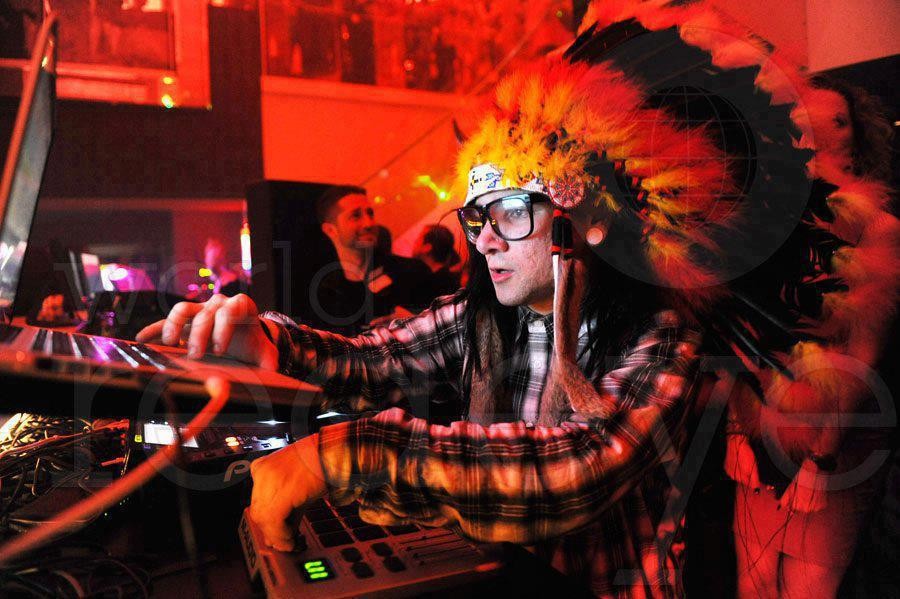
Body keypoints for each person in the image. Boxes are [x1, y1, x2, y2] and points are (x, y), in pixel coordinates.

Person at [137, 57, 727, 596]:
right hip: (495, 576)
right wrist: (268, 342)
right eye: (477, 219)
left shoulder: (661, 335)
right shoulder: (481, 315)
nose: (486, 241)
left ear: (586, 221)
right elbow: (376, 360)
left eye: (512, 212)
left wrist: (353, 456)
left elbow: (578, 469)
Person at [310, 185, 435, 334]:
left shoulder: (412, 272)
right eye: (355, 216)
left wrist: (417, 325)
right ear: (330, 230)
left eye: (370, 213)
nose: (369, 223)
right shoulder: (328, 294)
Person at [412, 223, 463, 297]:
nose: (415, 242)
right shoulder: (450, 281)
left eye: (419, 238)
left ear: (427, 247)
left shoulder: (427, 287)